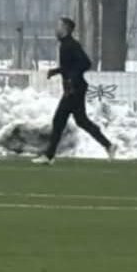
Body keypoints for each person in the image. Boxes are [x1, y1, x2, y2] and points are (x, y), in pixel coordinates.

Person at [39, 16, 114, 163]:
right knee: (81, 121)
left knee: (59, 119)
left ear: (66, 28)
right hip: (73, 88)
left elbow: (85, 63)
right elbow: (70, 66)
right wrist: (56, 71)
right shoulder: (65, 45)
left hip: (75, 89)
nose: (56, 29)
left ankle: (49, 156)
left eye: (59, 26)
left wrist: (71, 79)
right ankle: (108, 145)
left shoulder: (71, 45)